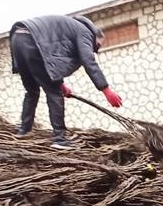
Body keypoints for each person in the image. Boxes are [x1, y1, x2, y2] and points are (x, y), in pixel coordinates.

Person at [9, 15, 123, 150]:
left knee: (32, 91)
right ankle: (59, 139)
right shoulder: (85, 32)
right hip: (33, 41)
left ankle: (23, 130)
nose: (94, 50)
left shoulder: (69, 28)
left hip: (17, 38)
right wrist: (106, 90)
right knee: (54, 94)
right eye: (96, 47)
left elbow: (52, 56)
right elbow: (88, 61)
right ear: (94, 36)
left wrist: (61, 84)